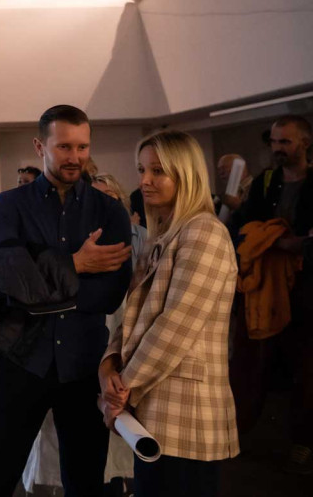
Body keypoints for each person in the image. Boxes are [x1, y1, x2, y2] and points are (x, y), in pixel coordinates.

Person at [0, 105, 133, 497]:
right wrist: (77, 263)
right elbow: (0, 281)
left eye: (82, 147)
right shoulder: (8, 205)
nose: (75, 157)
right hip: (21, 360)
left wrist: (35, 278)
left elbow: (110, 294)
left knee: (85, 483)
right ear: (40, 145)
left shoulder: (109, 211)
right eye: (64, 147)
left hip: (82, 365)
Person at [100, 130, 239, 497]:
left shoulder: (205, 232)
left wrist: (122, 388)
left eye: (158, 171)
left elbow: (175, 325)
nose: (144, 180)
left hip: (188, 414)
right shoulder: (162, 236)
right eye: (142, 169)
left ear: (186, 174)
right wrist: (109, 366)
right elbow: (132, 315)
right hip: (155, 407)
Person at [233, 115, 313, 473]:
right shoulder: (266, 182)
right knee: (253, 366)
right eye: (275, 142)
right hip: (264, 288)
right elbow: (245, 228)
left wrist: (295, 246)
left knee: (306, 369)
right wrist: (279, 241)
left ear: (305, 143)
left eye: (286, 142)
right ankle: (239, 435)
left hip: (306, 290)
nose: (278, 149)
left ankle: (303, 442)